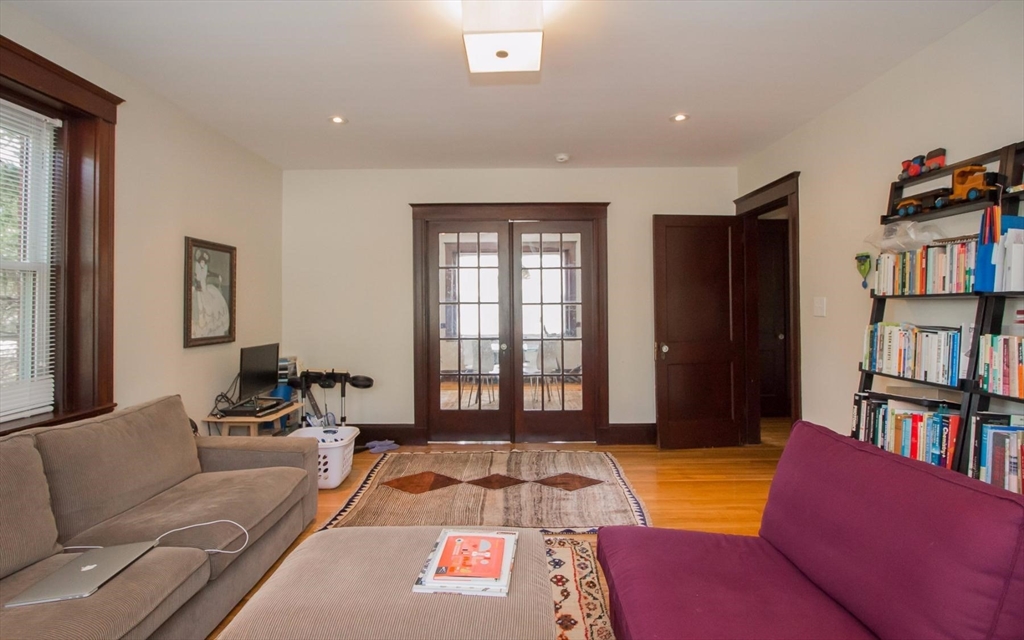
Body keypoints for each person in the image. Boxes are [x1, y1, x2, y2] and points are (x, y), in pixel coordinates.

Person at [192, 248, 230, 338]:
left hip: (205, 290)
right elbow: (195, 281)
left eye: (204, 263)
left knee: (212, 305)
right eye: (201, 262)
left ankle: (211, 328)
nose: (202, 264)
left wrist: (218, 276)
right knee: (200, 308)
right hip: (198, 291)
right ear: (199, 262)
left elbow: (211, 274)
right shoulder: (196, 273)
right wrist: (193, 287)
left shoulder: (205, 271)